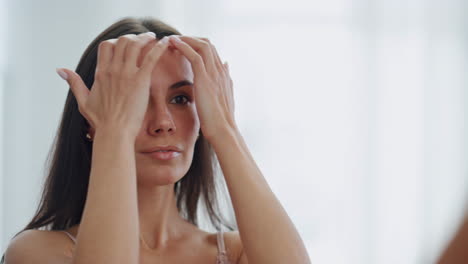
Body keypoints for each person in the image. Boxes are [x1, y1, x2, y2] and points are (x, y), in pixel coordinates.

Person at [1, 16, 311, 264]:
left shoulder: (236, 253)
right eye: (138, 100)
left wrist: (225, 128)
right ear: (90, 120)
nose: (163, 122)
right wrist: (115, 131)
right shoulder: (38, 253)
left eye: (180, 99)